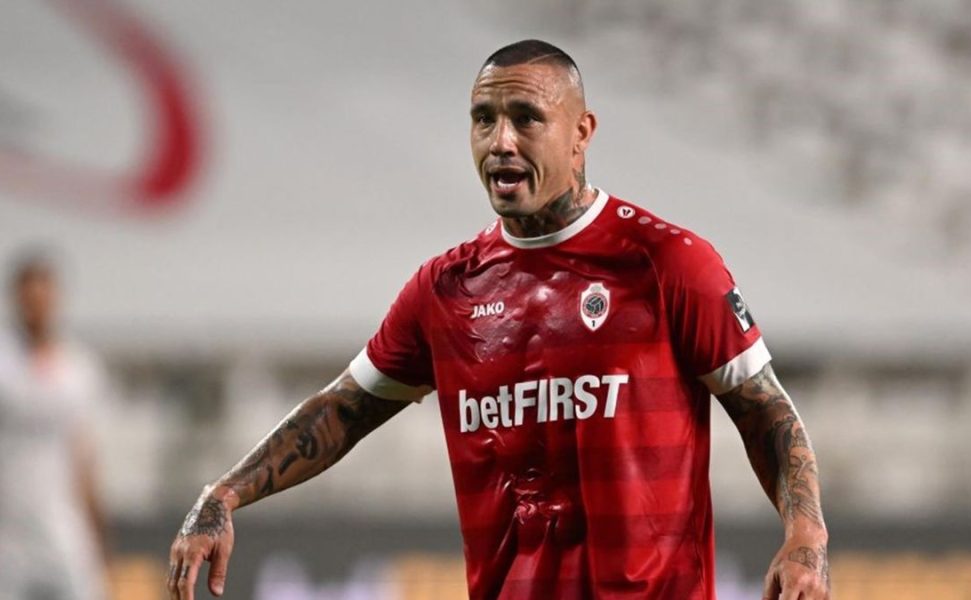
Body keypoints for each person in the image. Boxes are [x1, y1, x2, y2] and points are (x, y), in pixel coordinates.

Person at [167, 40, 831, 600]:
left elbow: (766, 411)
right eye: (483, 120)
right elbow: (343, 408)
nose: (500, 141)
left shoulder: (666, 263)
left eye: (525, 118)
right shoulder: (444, 290)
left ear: (581, 134)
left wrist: (805, 535)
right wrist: (224, 494)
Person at [0, 252, 109, 600]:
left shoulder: (79, 369)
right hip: (8, 532)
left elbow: (85, 456)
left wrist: (98, 531)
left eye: (44, 296)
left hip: (64, 528)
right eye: (29, 297)